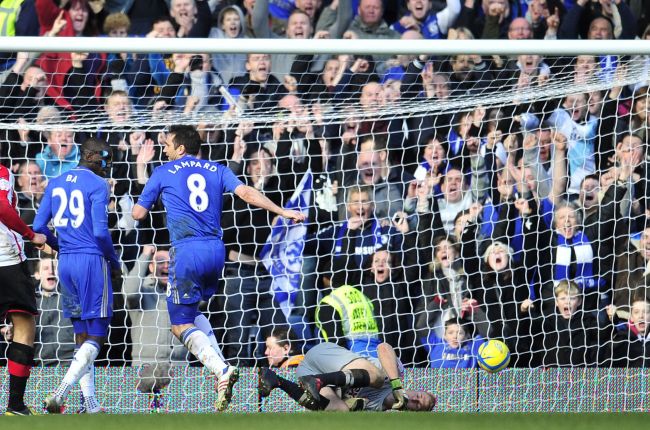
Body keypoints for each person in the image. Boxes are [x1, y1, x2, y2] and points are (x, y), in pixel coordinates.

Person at [131, 125, 305, 411]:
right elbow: (247, 193)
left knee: (178, 323)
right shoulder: (217, 168)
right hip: (217, 251)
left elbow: (138, 214)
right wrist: (283, 211)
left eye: (168, 144)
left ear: (181, 148)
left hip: (187, 251)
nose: (164, 149)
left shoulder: (163, 172)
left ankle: (221, 370)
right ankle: (223, 367)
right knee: (193, 312)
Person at [33, 137, 122, 414]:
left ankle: (91, 405)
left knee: (81, 335)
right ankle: (60, 393)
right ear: (92, 156)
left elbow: (38, 226)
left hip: (66, 263)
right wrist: (113, 259)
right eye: (105, 157)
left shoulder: (56, 181)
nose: (108, 163)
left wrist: (60, 246)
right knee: (97, 334)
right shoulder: (98, 185)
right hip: (91, 261)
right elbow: (99, 232)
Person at [258, 342, 436, 412]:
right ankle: (319, 381)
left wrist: (353, 406)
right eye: (419, 396)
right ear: (416, 389)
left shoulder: (376, 411)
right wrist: (397, 386)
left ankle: (277, 380)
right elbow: (383, 347)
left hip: (307, 373)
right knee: (378, 377)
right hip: (323, 357)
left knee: (341, 413)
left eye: (418, 405)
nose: (415, 400)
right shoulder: (395, 374)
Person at [0, 162, 47, 415]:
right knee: (24, 326)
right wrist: (30, 235)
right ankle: (15, 405)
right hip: (5, 260)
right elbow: (1, 207)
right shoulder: (2, 173)